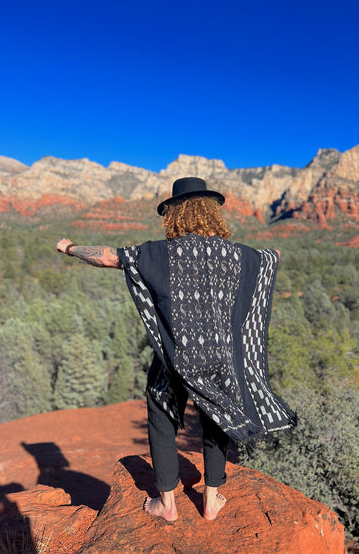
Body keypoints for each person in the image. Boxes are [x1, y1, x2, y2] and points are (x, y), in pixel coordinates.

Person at [56, 177, 296, 522]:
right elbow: (271, 257)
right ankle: (211, 500)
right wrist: (271, 253)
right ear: (212, 213)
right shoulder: (238, 255)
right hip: (224, 357)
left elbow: (107, 257)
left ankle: (167, 503)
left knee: (161, 415)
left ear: (174, 215)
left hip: (175, 358)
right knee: (218, 418)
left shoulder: (157, 253)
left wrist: (69, 247)